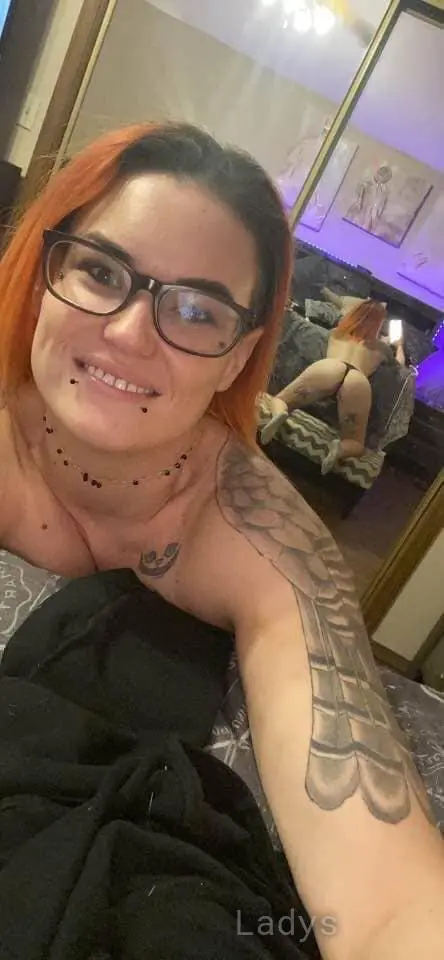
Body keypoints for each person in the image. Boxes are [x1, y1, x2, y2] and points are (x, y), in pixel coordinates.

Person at [0, 123, 443, 959]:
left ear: (238, 359)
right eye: (100, 271)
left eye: (197, 310)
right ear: (47, 272)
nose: (129, 333)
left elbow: (387, 898)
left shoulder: (263, 538)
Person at [260, 299, 405, 472]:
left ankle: (280, 413)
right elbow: (400, 369)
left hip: (330, 367)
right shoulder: (381, 348)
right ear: (379, 325)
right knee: (355, 442)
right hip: (357, 381)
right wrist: (399, 346)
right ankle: (340, 448)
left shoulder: (337, 334)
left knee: (281, 400)